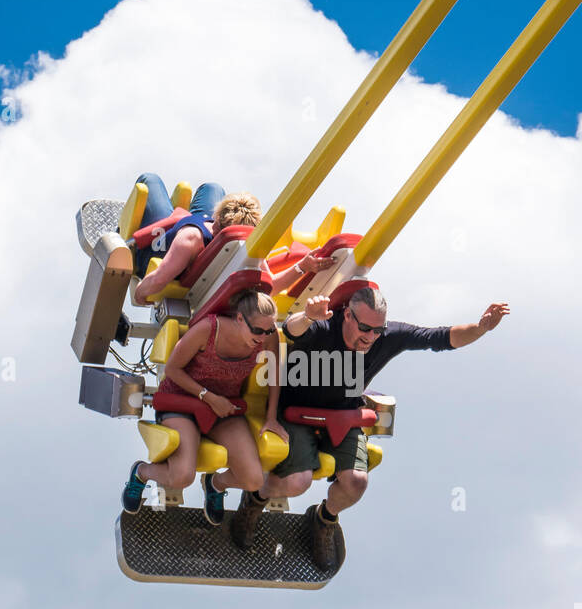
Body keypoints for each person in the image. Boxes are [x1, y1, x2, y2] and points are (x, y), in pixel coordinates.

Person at [229, 287, 510, 570]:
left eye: (378, 330)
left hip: (343, 415)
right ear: (347, 315)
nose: (371, 337)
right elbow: (292, 330)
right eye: (365, 328)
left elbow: (442, 337)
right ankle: (254, 501)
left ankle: (324, 519)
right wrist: (308, 316)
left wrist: (481, 328)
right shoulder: (324, 327)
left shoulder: (384, 336)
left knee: (356, 483)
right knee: (296, 483)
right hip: (296, 413)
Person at [122, 289, 288, 525]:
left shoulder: (268, 336)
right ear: (240, 318)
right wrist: (208, 397)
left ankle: (215, 484)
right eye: (258, 331)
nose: (263, 337)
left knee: (254, 480)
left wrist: (271, 418)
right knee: (182, 476)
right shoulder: (209, 329)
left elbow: (275, 374)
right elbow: (172, 370)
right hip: (184, 402)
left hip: (224, 408)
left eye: (269, 330)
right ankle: (142, 472)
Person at [133, 192, 328, 302]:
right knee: (212, 187)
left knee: (150, 180)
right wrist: (302, 267)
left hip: (158, 241)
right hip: (191, 225)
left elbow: (158, 280)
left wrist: (138, 294)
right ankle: (183, 203)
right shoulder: (246, 245)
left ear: (216, 222)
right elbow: (273, 285)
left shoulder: (191, 238)